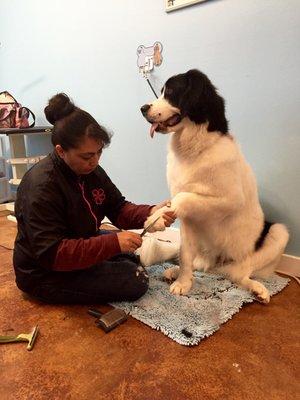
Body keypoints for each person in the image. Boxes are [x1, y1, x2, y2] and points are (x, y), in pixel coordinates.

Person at [13, 93, 178, 304]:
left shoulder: (91, 171)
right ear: (61, 151)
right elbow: (53, 253)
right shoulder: (41, 187)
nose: (95, 161)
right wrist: (112, 244)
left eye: (99, 152)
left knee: (128, 254)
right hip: (43, 272)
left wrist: (151, 212)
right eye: (87, 156)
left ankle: (134, 253)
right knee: (135, 279)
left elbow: (118, 208)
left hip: (77, 239)